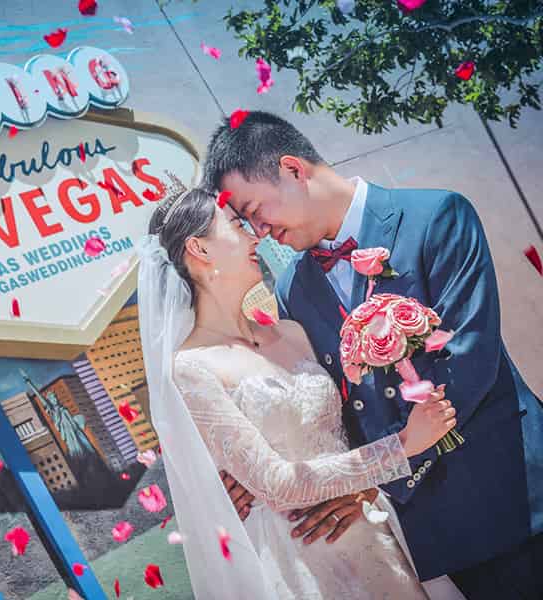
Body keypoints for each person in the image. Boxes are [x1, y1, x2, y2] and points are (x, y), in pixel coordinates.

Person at [201, 110, 543, 600]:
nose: (258, 230)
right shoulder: (295, 288)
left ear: (294, 170)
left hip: (514, 490)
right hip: (439, 528)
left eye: (256, 210)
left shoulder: (437, 216)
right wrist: (258, 470)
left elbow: (469, 357)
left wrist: (383, 471)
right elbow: (329, 403)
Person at [137, 182, 459, 599]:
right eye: (237, 225)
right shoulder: (193, 366)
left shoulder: (290, 332)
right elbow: (275, 484)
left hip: (375, 524)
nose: (255, 236)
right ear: (199, 250)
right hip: (306, 555)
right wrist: (402, 446)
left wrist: (368, 485)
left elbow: (346, 430)